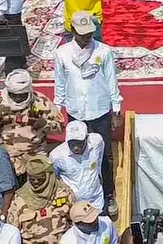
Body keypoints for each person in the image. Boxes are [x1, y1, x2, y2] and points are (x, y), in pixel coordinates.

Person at [53, 12, 123, 215]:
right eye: (81, 33)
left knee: (104, 153)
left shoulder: (104, 51)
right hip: (76, 111)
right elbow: (60, 83)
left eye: (89, 33)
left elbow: (112, 81)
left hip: (100, 110)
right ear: (73, 30)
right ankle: (81, 193)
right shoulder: (62, 54)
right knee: (78, 153)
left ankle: (108, 193)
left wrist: (116, 110)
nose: (86, 37)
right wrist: (58, 108)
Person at [0, 69, 65, 177]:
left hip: (36, 155)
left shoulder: (41, 102)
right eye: (14, 95)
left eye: (22, 95)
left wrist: (45, 124)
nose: (17, 99)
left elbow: (60, 127)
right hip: (8, 156)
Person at [6, 156, 74, 244]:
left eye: (40, 178)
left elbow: (75, 221)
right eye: (32, 178)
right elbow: (12, 230)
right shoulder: (20, 198)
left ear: (49, 175)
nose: (35, 181)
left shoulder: (63, 193)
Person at [50, 121, 105, 209]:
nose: (75, 147)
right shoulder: (57, 156)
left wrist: (98, 172)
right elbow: (54, 177)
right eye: (72, 143)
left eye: (79, 143)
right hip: (74, 205)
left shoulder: (96, 141)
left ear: (86, 138)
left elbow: (100, 154)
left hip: (97, 201)